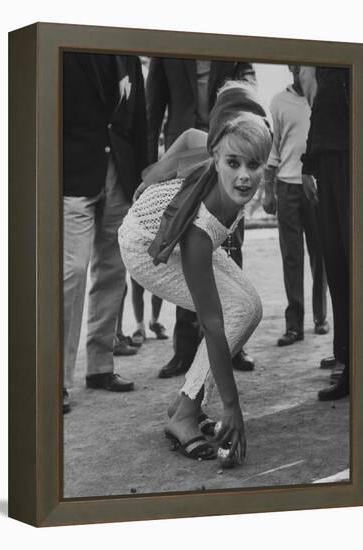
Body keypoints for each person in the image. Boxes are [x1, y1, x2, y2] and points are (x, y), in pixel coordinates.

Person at [118, 81, 272, 461]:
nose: (243, 176)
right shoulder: (201, 226)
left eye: (254, 165)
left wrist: (154, 174)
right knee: (233, 312)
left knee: (250, 307)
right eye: (233, 163)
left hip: (179, 232)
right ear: (217, 155)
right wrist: (232, 406)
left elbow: (187, 136)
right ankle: (184, 414)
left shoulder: (226, 142)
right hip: (145, 246)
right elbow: (212, 323)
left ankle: (184, 402)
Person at [146, 57, 258, 378]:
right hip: (185, 151)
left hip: (227, 148)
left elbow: (248, 93)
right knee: (185, 242)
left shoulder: (234, 45)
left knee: (230, 245)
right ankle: (184, 349)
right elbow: (154, 108)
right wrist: (152, 166)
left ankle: (233, 344)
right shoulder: (168, 49)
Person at [62, 52, 148, 413]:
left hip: (120, 176)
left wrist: (143, 181)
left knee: (113, 270)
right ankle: (56, 380)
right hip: (72, 176)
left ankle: (100, 366)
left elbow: (139, 120)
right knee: (73, 271)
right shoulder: (63, 48)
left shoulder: (128, 54)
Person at [263, 65, 329, 347]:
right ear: (290, 67)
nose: (302, 68)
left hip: (315, 185)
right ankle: (294, 326)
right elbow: (274, 147)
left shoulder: (323, 97)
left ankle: (320, 317)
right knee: (292, 256)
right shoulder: (278, 102)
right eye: (297, 63)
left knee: (320, 255)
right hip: (287, 186)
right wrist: (268, 191)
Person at [299, 66, 350, 400]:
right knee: (336, 262)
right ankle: (349, 362)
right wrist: (307, 165)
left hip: (359, 155)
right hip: (328, 159)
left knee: (360, 264)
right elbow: (321, 104)